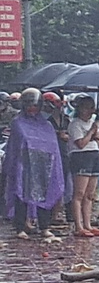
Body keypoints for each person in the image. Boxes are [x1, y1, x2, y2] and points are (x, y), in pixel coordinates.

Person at [5, 90, 67, 241]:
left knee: (43, 195)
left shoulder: (46, 125)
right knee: (22, 194)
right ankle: (20, 227)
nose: (32, 108)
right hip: (24, 165)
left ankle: (44, 226)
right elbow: (17, 144)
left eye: (35, 105)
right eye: (29, 105)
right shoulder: (18, 122)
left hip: (43, 166)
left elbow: (52, 145)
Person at [65, 95, 99, 238]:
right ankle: (78, 225)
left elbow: (98, 142)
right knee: (79, 193)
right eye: (86, 107)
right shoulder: (75, 124)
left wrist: (96, 132)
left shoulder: (93, 122)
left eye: (91, 108)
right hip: (81, 156)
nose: (88, 111)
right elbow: (80, 143)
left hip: (94, 155)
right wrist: (91, 131)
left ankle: (88, 224)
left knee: (90, 194)